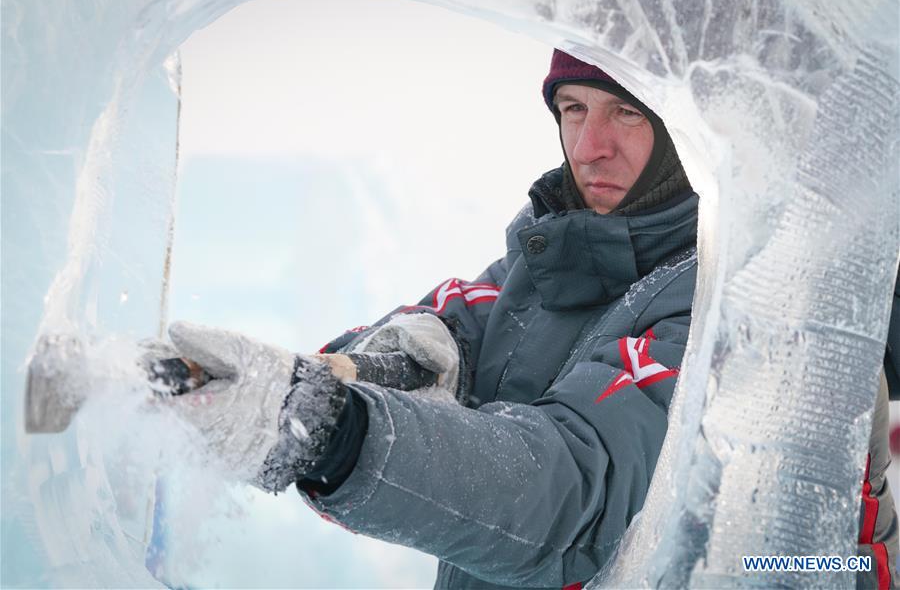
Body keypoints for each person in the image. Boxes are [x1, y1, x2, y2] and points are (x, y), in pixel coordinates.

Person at [160, 50, 898, 589]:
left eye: (627, 112)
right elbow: (451, 321)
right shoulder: (550, 257)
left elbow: (573, 491)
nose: (589, 146)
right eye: (573, 109)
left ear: (692, 134)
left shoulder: (733, 296)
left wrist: (340, 432)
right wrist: (374, 364)